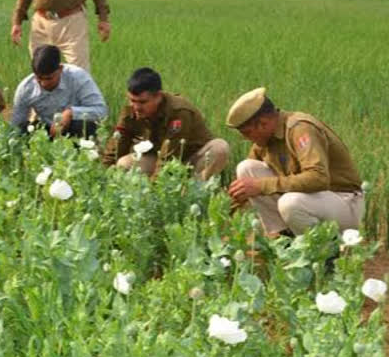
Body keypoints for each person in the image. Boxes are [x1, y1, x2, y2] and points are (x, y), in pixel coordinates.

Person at [226, 87, 363, 236]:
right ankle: (284, 238)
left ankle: (324, 252)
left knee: (290, 203)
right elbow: (246, 187)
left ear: (263, 123)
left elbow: (318, 178)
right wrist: (225, 211)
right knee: (246, 169)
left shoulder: (300, 128)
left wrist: (261, 186)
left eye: (247, 133)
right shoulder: (265, 140)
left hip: (343, 201)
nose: (246, 138)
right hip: (311, 201)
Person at [103, 67, 229, 180]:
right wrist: (102, 177)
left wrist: (155, 190)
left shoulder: (178, 112)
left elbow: (170, 156)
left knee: (220, 147)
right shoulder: (130, 111)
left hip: (192, 159)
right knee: (123, 164)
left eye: (142, 102)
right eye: (132, 100)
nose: (136, 107)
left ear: (158, 96)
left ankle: (193, 192)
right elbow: (117, 146)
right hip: (158, 158)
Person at [11, 45, 107, 138]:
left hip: (72, 129)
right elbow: (17, 123)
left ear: (60, 69)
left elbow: (101, 110)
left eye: (49, 78)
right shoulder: (26, 88)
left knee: (84, 126)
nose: (44, 83)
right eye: (39, 78)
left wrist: (70, 113)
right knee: (22, 130)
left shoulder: (78, 77)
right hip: (45, 131)